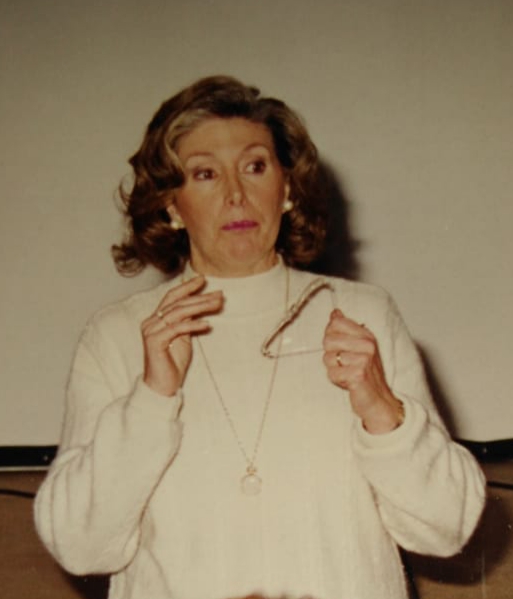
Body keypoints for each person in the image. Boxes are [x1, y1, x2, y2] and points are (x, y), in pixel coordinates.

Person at [34, 75, 486, 599]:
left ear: (287, 188)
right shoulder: (116, 336)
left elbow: (447, 527)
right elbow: (80, 546)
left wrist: (383, 411)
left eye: (255, 167)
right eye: (205, 174)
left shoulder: (364, 315)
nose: (235, 195)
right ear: (171, 206)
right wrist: (151, 401)